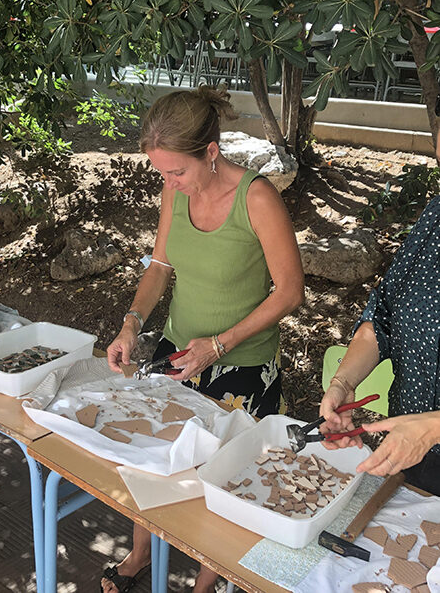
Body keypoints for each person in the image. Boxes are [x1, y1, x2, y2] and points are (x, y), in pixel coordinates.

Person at [102, 86, 304, 593]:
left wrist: (220, 344)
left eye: (176, 172)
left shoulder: (257, 197)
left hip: (244, 364)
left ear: (211, 152)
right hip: (177, 350)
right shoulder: (176, 190)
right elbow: (160, 265)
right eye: (162, 173)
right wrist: (131, 323)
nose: (169, 183)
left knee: (224, 479)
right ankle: (142, 553)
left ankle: (205, 581)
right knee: (157, 459)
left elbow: (290, 291)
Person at [319, 195, 440, 495]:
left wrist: (430, 429)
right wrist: (343, 382)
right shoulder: (436, 216)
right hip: (410, 454)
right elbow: (384, 312)